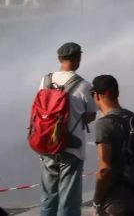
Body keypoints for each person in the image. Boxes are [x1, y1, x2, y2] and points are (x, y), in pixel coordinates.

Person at [38, 42, 96, 216]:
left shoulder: (45, 80)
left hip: (47, 145)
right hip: (72, 148)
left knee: (48, 196)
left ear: (59, 59)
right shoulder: (84, 85)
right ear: (78, 59)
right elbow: (91, 114)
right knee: (69, 199)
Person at [91, 75, 134, 216]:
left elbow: (104, 169)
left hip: (114, 201)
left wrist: (97, 201)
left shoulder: (104, 124)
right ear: (117, 93)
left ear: (97, 96)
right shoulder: (131, 117)